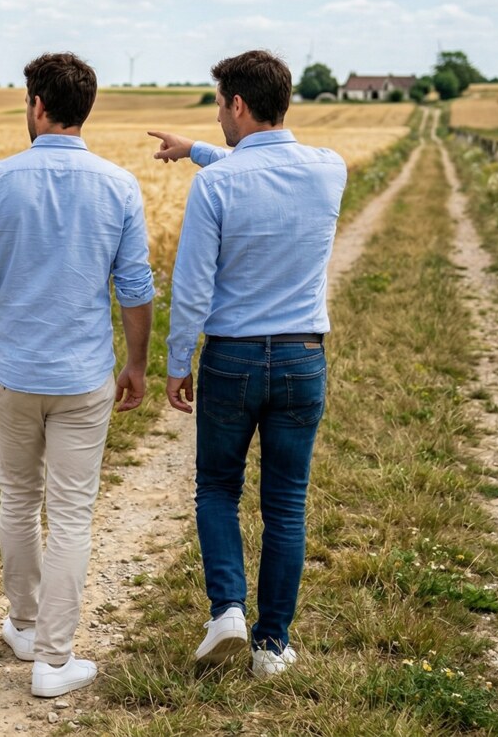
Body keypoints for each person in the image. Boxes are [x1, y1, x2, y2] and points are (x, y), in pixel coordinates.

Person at [0, 52, 155, 698]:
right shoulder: (118, 185)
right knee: (70, 514)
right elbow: (136, 289)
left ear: (37, 105)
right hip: (83, 376)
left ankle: (26, 625)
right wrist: (137, 363)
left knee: (18, 498)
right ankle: (52, 660)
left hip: (14, 371)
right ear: (83, 109)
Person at [148, 49, 346, 677]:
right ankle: (271, 646)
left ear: (237, 103)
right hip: (301, 358)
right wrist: (197, 149)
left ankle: (226, 612)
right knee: (286, 502)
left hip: (231, 359)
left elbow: (192, 285)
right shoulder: (329, 170)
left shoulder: (217, 184)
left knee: (218, 488)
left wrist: (178, 362)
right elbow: (257, 165)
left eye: (218, 106)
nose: (217, 119)